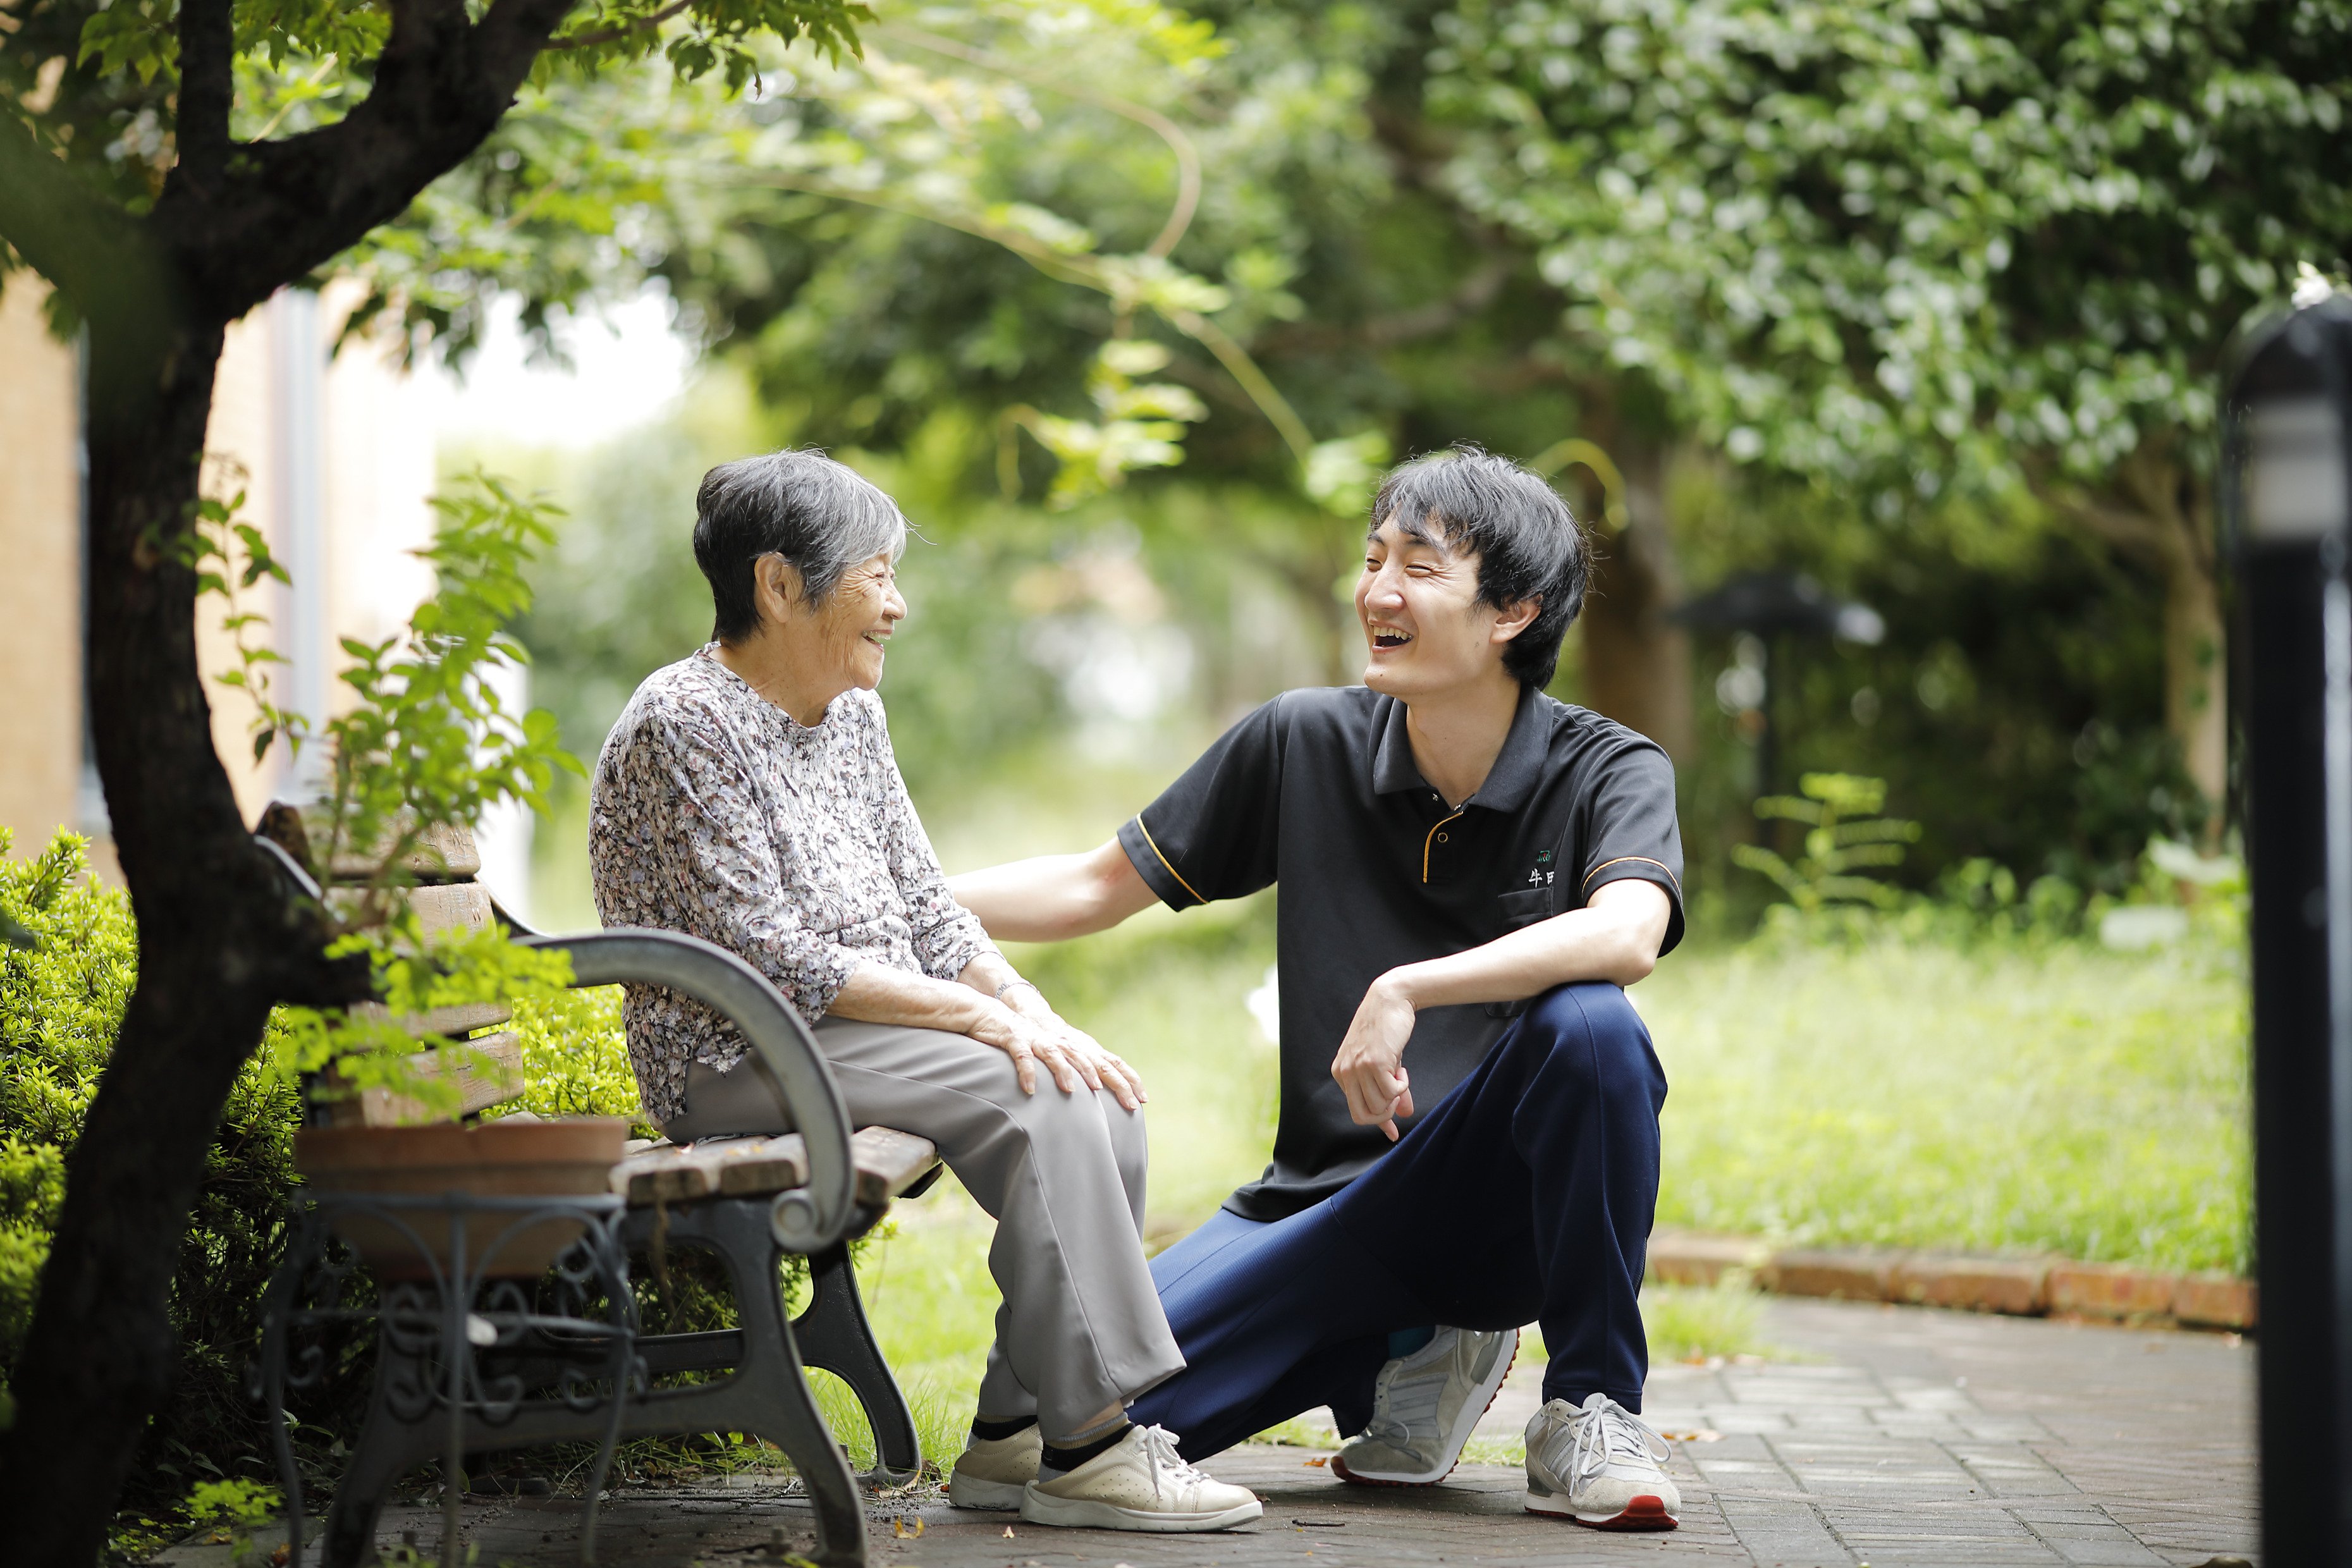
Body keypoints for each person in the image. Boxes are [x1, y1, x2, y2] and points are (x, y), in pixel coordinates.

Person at [950, 446, 1686, 1530]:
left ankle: (1590, 1409)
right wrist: (867, 902)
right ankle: (1411, 1353)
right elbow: (1092, 885)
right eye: (1373, 556)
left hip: (1502, 1208)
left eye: (1420, 567)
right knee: (1058, 1435)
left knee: (1592, 1027)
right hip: (1328, 1201)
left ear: (1514, 611)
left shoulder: (1610, 768)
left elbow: (1627, 933)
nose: (1377, 591)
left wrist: (1407, 988)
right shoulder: (1306, 740)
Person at [587, 450, 1261, 1533]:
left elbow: (928, 902)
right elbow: (773, 959)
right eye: (876, 574)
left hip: (837, 1034)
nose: (898, 605)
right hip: (735, 1054)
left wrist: (1024, 1003)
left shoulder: (850, 712)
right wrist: (981, 1021)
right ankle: (1093, 1441)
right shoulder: (682, 722)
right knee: (1036, 1096)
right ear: (777, 586)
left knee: (1094, 1089)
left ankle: (1012, 1436)